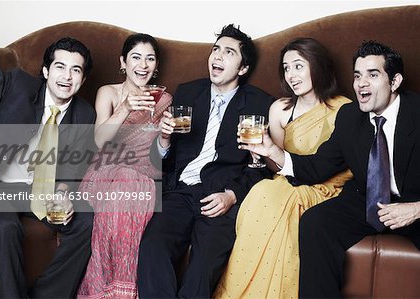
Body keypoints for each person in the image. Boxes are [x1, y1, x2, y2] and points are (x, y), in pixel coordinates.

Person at [262, 40, 420, 298]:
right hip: (367, 199)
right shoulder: (349, 116)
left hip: (415, 204)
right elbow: (317, 167)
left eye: (373, 74)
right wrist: (273, 152)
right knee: (315, 222)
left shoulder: (417, 112)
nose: (361, 84)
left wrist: (415, 209)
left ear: (395, 81)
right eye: (357, 75)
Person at [137, 24, 275, 298]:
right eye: (215, 50)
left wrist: (232, 196)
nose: (218, 57)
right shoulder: (187, 93)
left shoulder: (260, 103)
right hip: (181, 190)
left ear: (243, 68)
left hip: (220, 197)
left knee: (203, 266)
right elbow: (166, 158)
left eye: (229, 52)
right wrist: (164, 139)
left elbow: (260, 167)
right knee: (152, 247)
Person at [214, 37, 353, 299]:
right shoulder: (280, 108)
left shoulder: (344, 109)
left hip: (325, 188)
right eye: (286, 68)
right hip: (286, 180)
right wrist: (259, 154)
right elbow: (276, 164)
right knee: (261, 193)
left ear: (318, 65)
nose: (291, 75)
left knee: (282, 201)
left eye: (298, 66)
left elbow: (338, 164)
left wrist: (273, 154)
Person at [0, 37, 96, 298]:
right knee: (5, 228)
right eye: (60, 67)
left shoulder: (84, 114)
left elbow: (74, 168)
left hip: (36, 191)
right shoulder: (18, 86)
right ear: (46, 71)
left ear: (83, 80)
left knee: (87, 220)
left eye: (76, 70)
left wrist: (62, 193)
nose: (67, 76)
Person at [76, 33, 172, 299]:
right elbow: (99, 140)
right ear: (123, 62)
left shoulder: (163, 99)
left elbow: (160, 155)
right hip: (104, 173)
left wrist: (165, 137)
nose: (143, 65)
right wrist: (125, 108)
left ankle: (115, 291)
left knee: (130, 181)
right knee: (124, 180)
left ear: (156, 65)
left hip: (143, 176)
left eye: (150, 58)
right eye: (136, 57)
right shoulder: (108, 92)